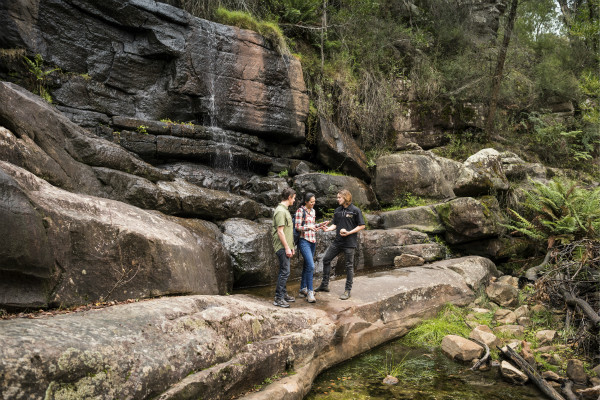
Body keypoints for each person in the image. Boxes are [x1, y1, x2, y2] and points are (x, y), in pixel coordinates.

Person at [315, 189, 365, 300]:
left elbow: (362, 225)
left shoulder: (355, 210)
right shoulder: (337, 210)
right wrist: (327, 229)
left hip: (349, 243)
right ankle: (324, 285)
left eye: (339, 197)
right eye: (337, 197)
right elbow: (335, 224)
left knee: (349, 266)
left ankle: (347, 291)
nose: (337, 199)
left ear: (346, 198)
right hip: (338, 242)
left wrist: (349, 232)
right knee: (326, 259)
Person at [295, 193, 329, 303]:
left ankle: (302, 289)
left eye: (314, 201)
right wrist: (308, 227)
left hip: (312, 241)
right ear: (306, 201)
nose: (313, 203)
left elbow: (313, 227)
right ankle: (310, 291)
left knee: (307, 265)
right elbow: (297, 227)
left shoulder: (313, 211)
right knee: (311, 265)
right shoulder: (300, 211)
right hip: (304, 241)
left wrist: (320, 225)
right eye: (311, 202)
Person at [272, 187, 297, 308]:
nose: (294, 200)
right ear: (289, 197)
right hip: (281, 246)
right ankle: (278, 298)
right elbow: (280, 232)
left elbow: (288, 231)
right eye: (294, 198)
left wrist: (291, 247)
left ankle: (283, 294)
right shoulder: (281, 211)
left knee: (285, 270)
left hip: (286, 245)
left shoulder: (285, 210)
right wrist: (287, 247)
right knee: (285, 271)